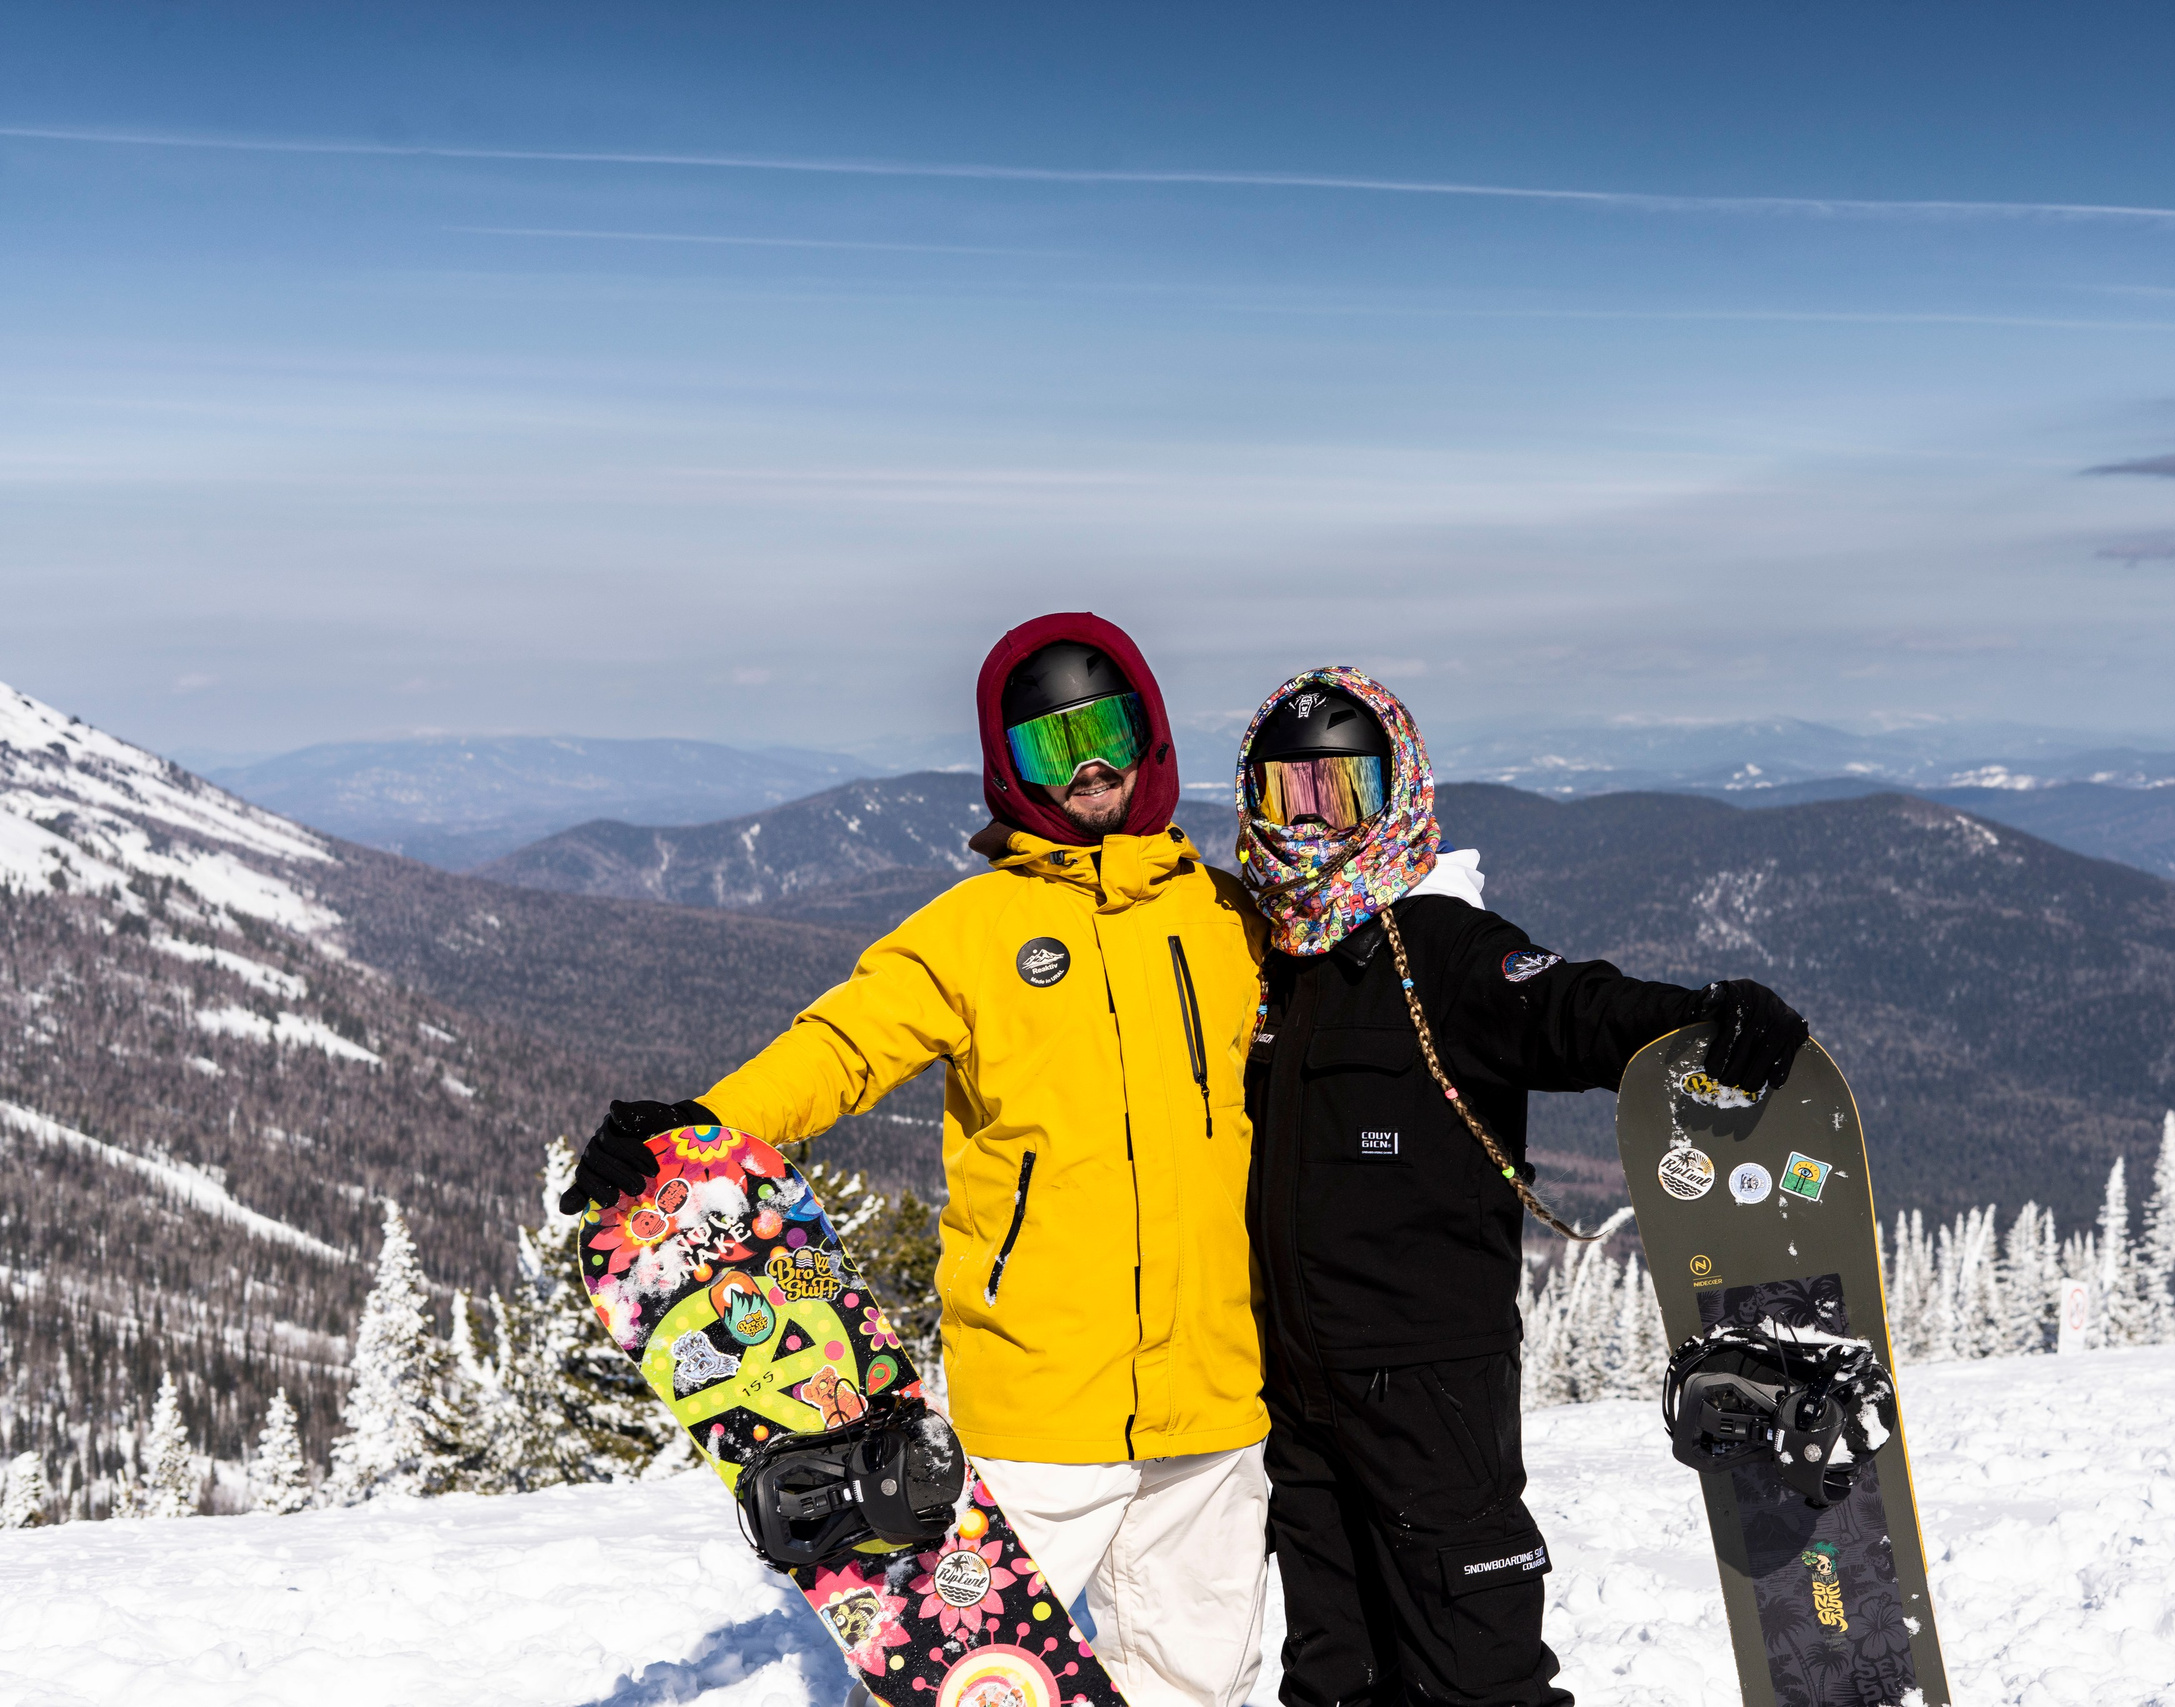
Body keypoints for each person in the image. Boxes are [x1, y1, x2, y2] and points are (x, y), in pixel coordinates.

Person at [559, 612, 1272, 1707]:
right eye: (1050, 745)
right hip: (1042, 1400)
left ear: (1150, 738)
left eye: (1107, 734)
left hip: (1217, 1398)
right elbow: (841, 1047)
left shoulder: (1228, 919)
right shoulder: (972, 929)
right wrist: (693, 1138)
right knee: (959, 1674)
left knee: (1199, 1683)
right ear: (1008, 767)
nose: (1086, 767)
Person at [1234, 666, 1808, 1707]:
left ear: (1396, 787)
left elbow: (1567, 1008)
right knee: (1335, 1674)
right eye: (1291, 794)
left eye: (1344, 791)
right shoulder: (1265, 954)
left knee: (1475, 1669)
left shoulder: (1441, 946)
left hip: (1428, 1378)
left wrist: (1694, 1018)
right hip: (1298, 1392)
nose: (1315, 821)